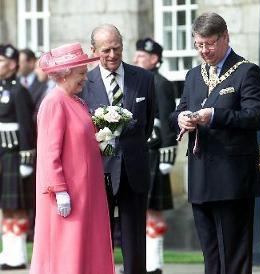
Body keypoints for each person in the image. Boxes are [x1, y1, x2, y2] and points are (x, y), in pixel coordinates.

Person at [169, 12, 260, 274]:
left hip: (232, 177)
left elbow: (255, 117)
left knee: (233, 255)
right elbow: (178, 110)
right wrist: (181, 119)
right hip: (201, 175)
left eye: (210, 44)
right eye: (199, 45)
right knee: (210, 254)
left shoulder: (247, 71)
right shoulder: (193, 75)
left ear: (225, 37)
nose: (205, 51)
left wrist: (214, 115)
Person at [29, 42, 115, 274]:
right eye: (81, 74)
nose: (85, 79)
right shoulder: (53, 102)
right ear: (64, 75)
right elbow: (49, 152)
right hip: (69, 193)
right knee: (68, 249)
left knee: (87, 247)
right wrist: (60, 190)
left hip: (86, 191)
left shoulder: (77, 101)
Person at [80, 24, 154, 274]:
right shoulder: (84, 83)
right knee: (101, 237)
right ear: (93, 51)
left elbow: (148, 124)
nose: (112, 55)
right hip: (100, 171)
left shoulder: (144, 78)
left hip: (135, 169)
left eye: (117, 48)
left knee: (135, 240)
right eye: (106, 50)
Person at [133, 38, 177, 274]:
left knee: (152, 210)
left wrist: (168, 155)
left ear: (154, 59)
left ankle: (154, 264)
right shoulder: (139, 82)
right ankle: (144, 264)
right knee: (140, 211)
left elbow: (170, 122)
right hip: (139, 154)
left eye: (141, 56)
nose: (135, 59)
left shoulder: (160, 84)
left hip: (154, 155)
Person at [0, 44, 35, 270]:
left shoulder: (19, 91)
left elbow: (26, 127)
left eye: (1, 61)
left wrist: (26, 159)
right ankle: (8, 252)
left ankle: (18, 255)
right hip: (2, 155)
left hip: (14, 155)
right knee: (5, 206)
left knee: (17, 206)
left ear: (12, 64)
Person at [18, 48, 47, 121]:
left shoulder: (43, 82)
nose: (16, 65)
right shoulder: (15, 82)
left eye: (19, 62)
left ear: (31, 63)